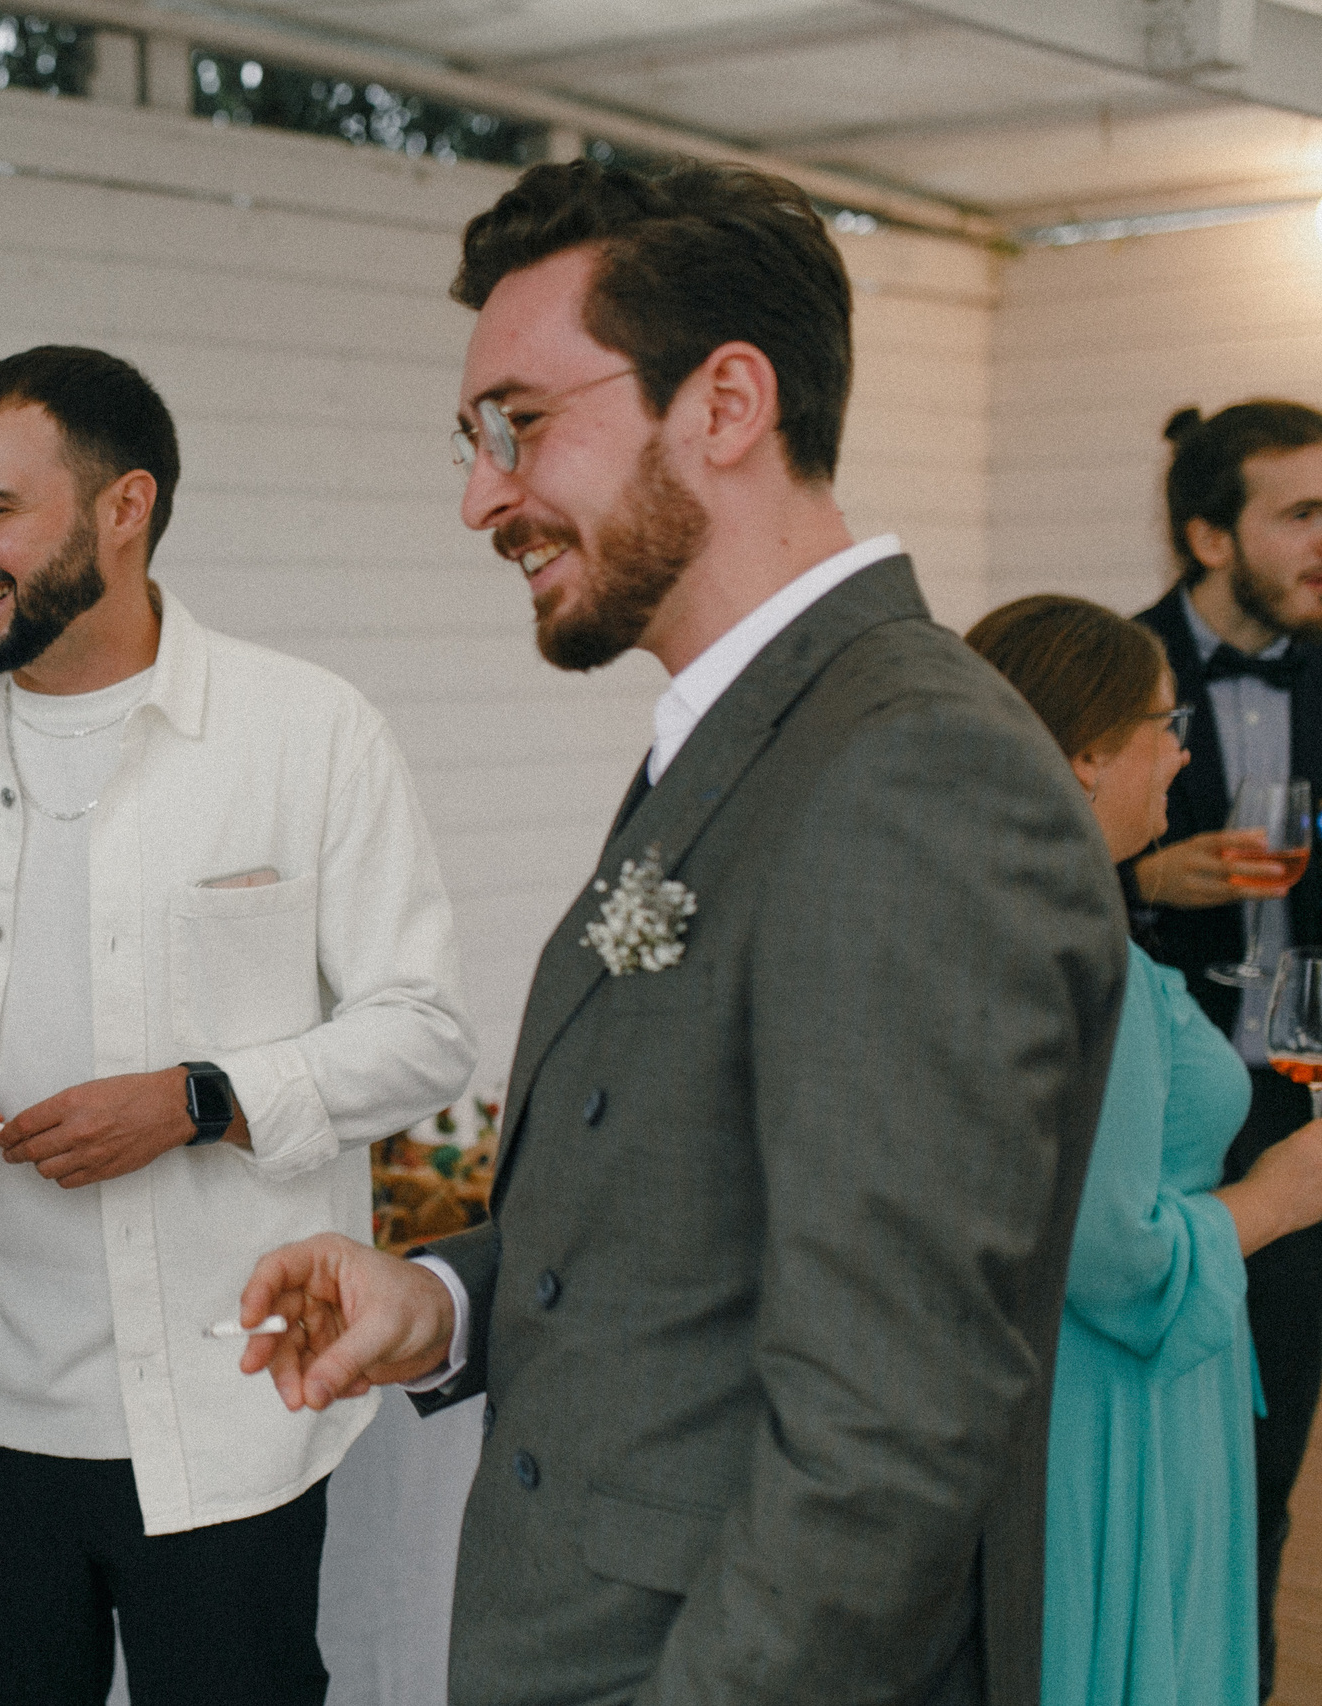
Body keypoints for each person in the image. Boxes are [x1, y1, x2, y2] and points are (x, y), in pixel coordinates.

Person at [234, 161, 1129, 1706]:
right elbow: (697, 1230)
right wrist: (437, 1302)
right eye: (471, 439)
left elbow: (885, 1441)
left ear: (725, 403)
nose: (482, 496)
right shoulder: (747, 735)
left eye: (520, 424)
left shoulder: (915, 769)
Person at [0, 345, 475, 1706]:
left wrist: (202, 1095)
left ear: (125, 506)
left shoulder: (309, 730)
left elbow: (424, 1026)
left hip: (224, 1413)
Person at [967, 593, 1322, 1706]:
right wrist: (1279, 1193)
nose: (1181, 757)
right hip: (1115, 1398)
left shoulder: (991, 912)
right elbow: (1111, 1250)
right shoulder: (1091, 966)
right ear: (1079, 756)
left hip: (1055, 1376)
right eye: (1164, 729)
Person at [1126, 399, 1322, 1698]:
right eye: (1301, 512)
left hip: (1303, 1111)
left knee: (1271, 1457)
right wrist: (1147, 878)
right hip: (1161, 1121)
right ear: (1208, 532)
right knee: (1181, 1456)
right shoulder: (1114, 671)